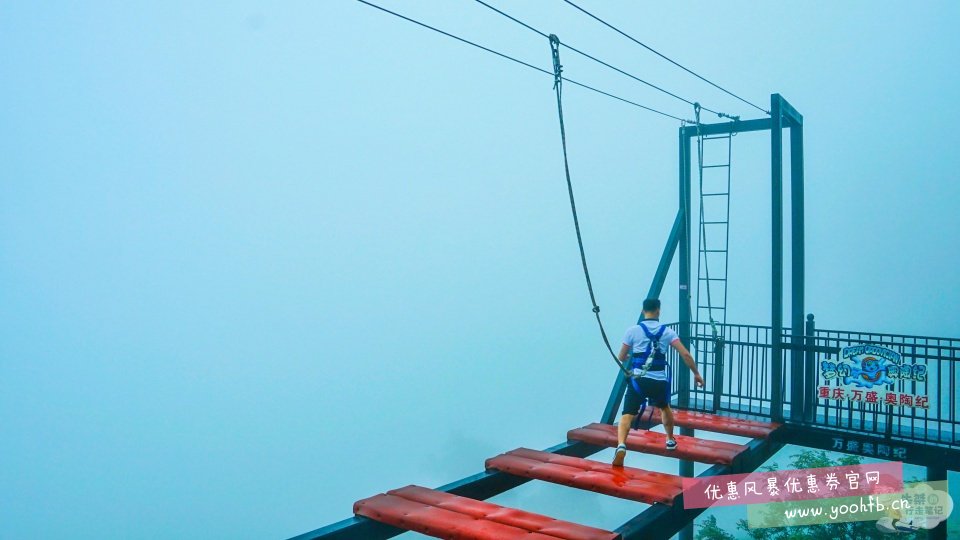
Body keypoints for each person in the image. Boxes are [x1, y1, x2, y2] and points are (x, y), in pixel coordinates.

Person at [612, 298, 704, 467]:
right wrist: (696, 374)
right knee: (664, 408)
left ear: (642, 311)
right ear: (658, 311)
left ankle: (621, 445)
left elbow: (621, 356)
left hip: (638, 381)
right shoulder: (668, 333)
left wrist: (627, 357)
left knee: (627, 414)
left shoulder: (632, 331)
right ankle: (669, 440)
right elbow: (685, 355)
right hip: (658, 381)